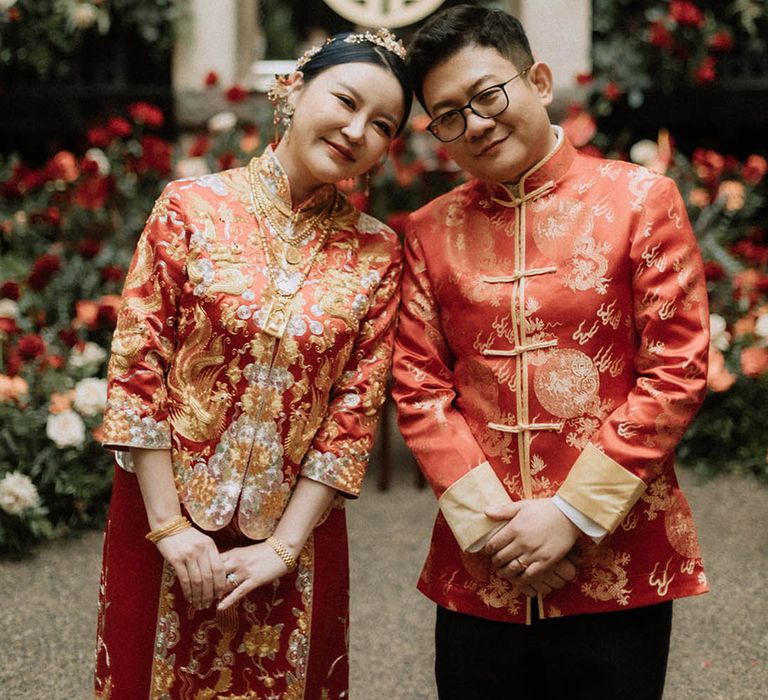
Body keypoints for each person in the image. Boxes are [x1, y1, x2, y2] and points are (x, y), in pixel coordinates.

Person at [391, 6, 709, 699]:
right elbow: (416, 385)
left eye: (487, 95)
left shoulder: (640, 199)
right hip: (482, 564)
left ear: (537, 78)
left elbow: (677, 366)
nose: (474, 123)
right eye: (448, 115)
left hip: (616, 551)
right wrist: (494, 529)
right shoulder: (429, 229)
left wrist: (569, 515)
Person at [93, 28, 411, 699]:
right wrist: (170, 528)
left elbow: (353, 417)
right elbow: (137, 371)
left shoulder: (378, 253)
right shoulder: (190, 208)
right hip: (162, 523)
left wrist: (284, 548)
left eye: (382, 123)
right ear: (293, 90)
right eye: (346, 100)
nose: (357, 130)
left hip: (292, 541)